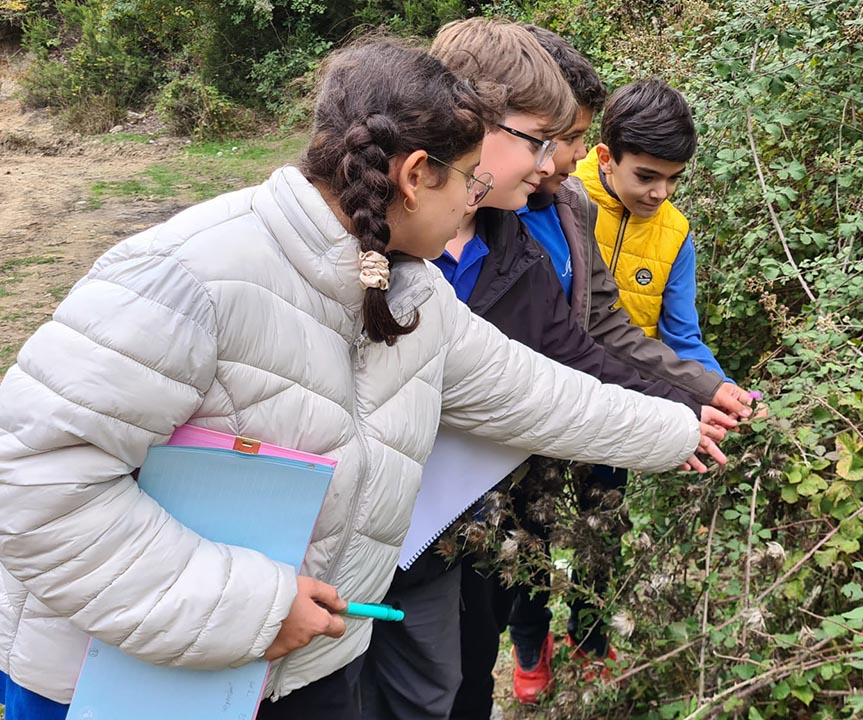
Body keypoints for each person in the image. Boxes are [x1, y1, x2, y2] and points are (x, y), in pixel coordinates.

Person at [0, 36, 720, 720]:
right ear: (415, 177)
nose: (478, 199)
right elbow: (33, 483)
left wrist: (678, 430)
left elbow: (533, 393)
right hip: (112, 674)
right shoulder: (185, 276)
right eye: (469, 181)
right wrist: (252, 607)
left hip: (302, 666)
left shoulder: (411, 292)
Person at [358, 19, 731, 720]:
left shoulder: (520, 236)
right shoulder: (381, 245)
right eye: (547, 140)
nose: (553, 162)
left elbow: (564, 362)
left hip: (455, 510)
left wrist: (686, 411)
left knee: (447, 675)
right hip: (353, 525)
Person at [501, 29, 758, 708]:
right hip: (537, 408)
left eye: (674, 180)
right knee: (527, 540)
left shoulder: (670, 232)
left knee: (601, 534)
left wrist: (713, 388)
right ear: (604, 157)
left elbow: (673, 335)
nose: (659, 193)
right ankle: (530, 651)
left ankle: (591, 647)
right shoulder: (548, 195)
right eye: (647, 176)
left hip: (625, 400)